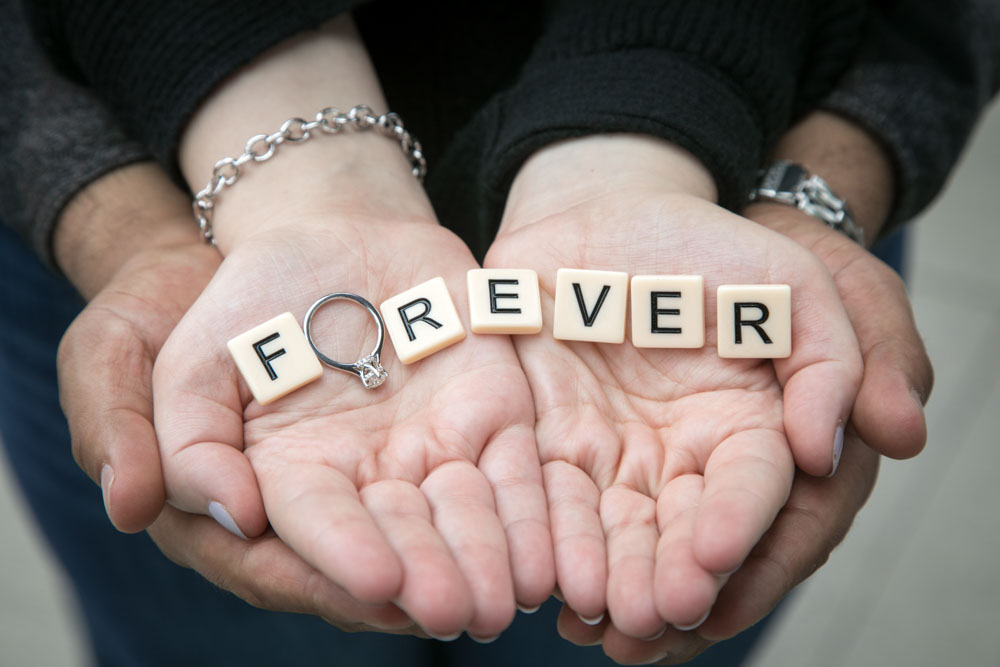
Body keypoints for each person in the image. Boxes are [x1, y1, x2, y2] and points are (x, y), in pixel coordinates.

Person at [2, 1, 996, 664]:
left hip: (737, 195)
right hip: (170, 211)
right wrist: (134, 231)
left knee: (641, 616)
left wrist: (670, 143)